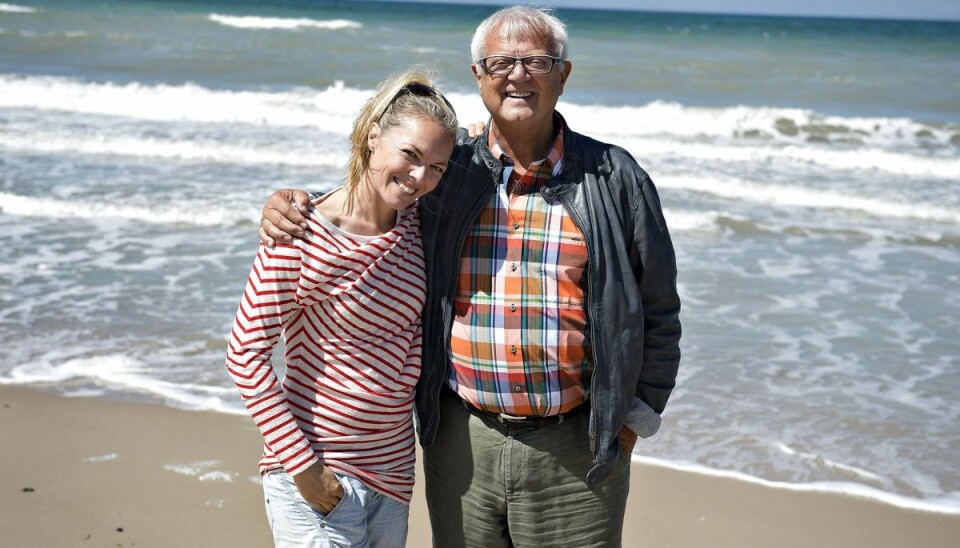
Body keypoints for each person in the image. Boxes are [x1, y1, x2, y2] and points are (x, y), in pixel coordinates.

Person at [259, 6, 681, 547]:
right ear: (479, 76)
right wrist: (292, 204)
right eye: (500, 61)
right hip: (461, 443)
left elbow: (659, 309)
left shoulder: (615, 178)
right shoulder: (448, 173)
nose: (518, 74)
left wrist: (633, 421)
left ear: (564, 74)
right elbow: (379, 192)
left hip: (577, 449)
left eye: (537, 61)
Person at [225, 67, 458, 548]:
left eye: (437, 168)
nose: (419, 178)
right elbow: (244, 354)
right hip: (320, 472)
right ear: (374, 136)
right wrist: (304, 467)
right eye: (409, 155)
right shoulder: (300, 233)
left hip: (392, 477)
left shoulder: (417, 223)